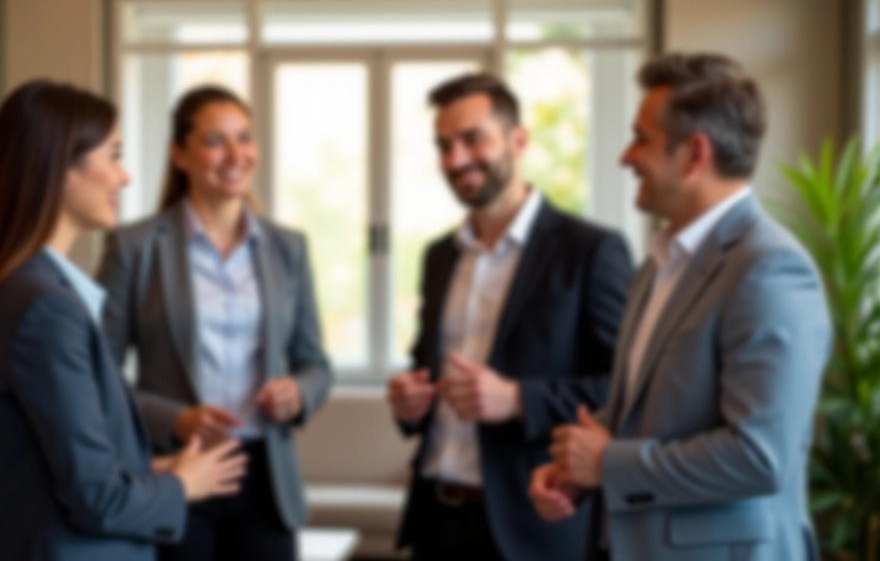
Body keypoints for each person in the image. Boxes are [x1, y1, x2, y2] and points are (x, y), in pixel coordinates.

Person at [531, 53, 832, 561]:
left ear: (694, 155)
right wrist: (575, 468)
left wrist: (609, 463)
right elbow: (647, 411)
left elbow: (759, 457)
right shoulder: (658, 263)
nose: (626, 157)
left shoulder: (771, 269)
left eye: (641, 139)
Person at [0, 80, 247, 561]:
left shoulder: (31, 292)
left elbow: (57, 466)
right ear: (60, 167)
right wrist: (182, 485)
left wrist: (157, 468)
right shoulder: (46, 307)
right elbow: (96, 498)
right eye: (113, 155)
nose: (124, 178)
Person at [386, 73, 634, 561]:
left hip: (533, 528)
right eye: (444, 145)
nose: (455, 160)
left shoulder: (591, 252)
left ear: (518, 140)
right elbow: (427, 369)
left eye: (472, 138)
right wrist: (408, 399)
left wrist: (518, 399)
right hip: (436, 520)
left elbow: (624, 390)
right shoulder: (439, 255)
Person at [96, 85, 332, 561]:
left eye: (244, 138)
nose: (235, 154)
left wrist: (297, 393)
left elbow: (316, 365)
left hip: (267, 479)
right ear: (179, 155)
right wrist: (175, 418)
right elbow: (99, 375)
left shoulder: (289, 249)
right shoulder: (134, 247)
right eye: (214, 141)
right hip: (177, 471)